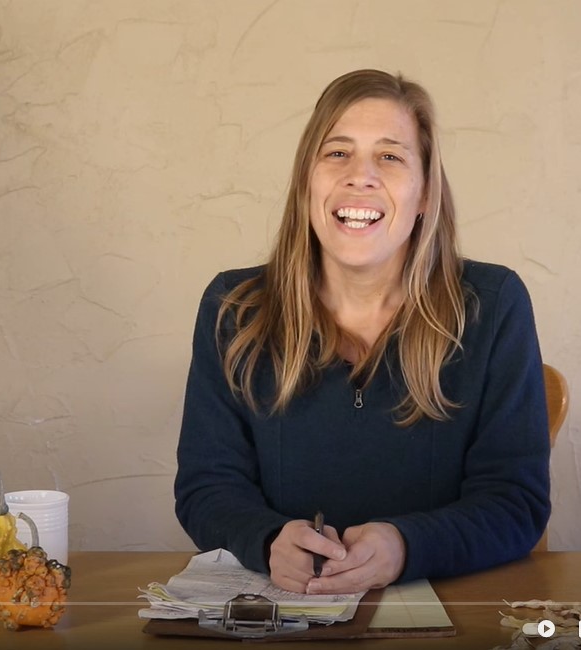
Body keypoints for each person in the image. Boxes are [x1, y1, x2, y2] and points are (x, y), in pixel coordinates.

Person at [174, 69, 550, 596]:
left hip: (448, 614)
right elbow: (206, 488)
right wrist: (266, 541)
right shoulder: (232, 310)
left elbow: (516, 502)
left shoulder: (494, 305)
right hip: (286, 612)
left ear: (424, 195)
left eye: (391, 157)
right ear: (307, 181)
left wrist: (406, 546)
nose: (360, 176)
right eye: (337, 153)